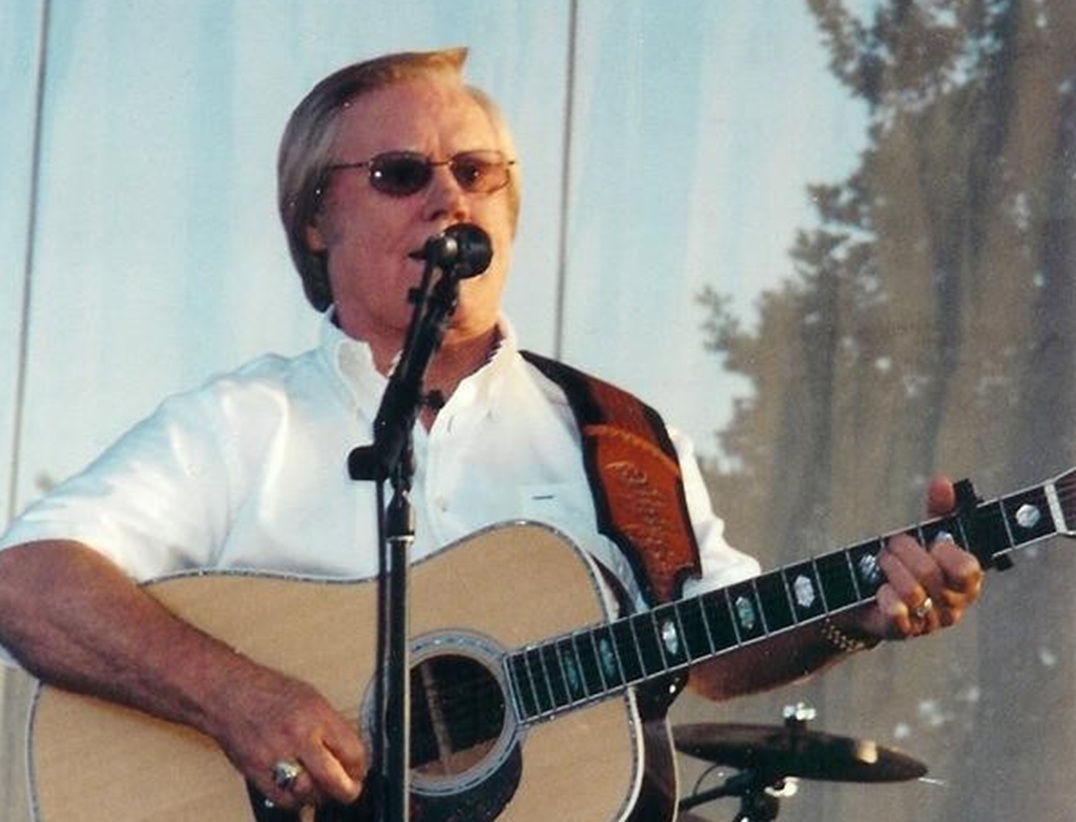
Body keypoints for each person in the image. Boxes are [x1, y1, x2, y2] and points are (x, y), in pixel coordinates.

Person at [0, 47, 982, 817]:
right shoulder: (239, 425)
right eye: (400, 173)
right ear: (313, 217)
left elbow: (717, 649)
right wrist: (235, 695)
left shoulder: (619, 437)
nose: (450, 199)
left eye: (477, 172)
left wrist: (852, 613)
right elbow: (28, 582)